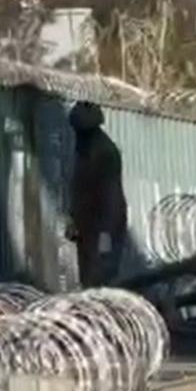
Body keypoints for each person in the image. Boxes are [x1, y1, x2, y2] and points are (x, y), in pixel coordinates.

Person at [67, 101, 128, 287]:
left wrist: (106, 236)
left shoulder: (105, 153)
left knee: (101, 279)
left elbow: (112, 198)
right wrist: (73, 219)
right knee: (88, 278)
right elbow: (79, 190)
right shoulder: (84, 152)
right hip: (88, 229)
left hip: (103, 229)